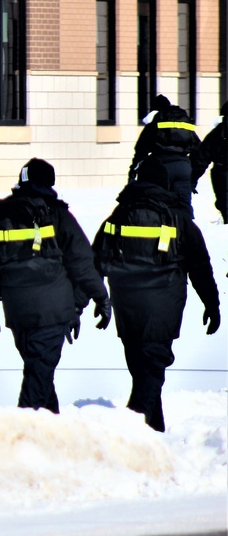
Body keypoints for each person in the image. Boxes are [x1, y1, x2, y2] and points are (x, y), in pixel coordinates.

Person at [92, 157, 220, 431]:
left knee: (142, 367)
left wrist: (94, 299)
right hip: (164, 306)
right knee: (150, 370)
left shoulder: (116, 217)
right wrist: (212, 304)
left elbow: (94, 261)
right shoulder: (179, 220)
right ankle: (134, 428)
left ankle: (153, 429)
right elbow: (200, 266)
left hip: (126, 305)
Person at [0, 158, 111, 414]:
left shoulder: (0, 215)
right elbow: (82, 262)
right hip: (52, 312)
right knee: (38, 378)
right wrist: (100, 297)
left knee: (39, 372)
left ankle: (51, 432)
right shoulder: (57, 215)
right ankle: (25, 435)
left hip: (18, 313)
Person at [128, 94, 202, 217]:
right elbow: (198, 148)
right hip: (184, 166)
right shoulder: (183, 123)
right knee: (183, 205)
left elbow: (141, 149)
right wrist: (192, 173)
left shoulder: (156, 122)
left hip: (160, 167)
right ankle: (185, 230)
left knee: (160, 203)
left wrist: (133, 171)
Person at [192, 101, 227, 223]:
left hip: (222, 173)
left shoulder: (217, 133)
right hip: (222, 172)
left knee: (225, 204)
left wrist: (192, 179)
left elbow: (201, 158)